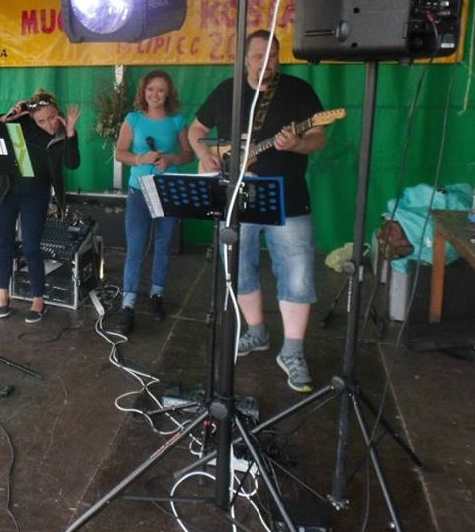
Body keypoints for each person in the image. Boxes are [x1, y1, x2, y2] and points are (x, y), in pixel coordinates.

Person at [187, 29, 327, 393]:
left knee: (297, 272)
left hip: (289, 198)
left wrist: (296, 144)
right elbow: (196, 129)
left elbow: (319, 137)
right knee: (238, 266)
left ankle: (293, 351)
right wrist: (204, 154)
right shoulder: (227, 91)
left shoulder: (297, 91)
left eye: (272, 57)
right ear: (244, 58)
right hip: (237, 196)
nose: (265, 64)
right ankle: (257, 332)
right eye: (257, 57)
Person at [114, 70, 194, 336]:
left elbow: (188, 154)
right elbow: (120, 152)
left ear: (168, 93)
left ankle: (156, 294)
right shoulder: (133, 119)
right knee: (136, 248)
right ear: (143, 92)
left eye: (160, 90)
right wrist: (141, 159)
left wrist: (169, 159)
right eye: (150, 89)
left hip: (168, 190)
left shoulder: (177, 121)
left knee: (163, 244)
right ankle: (128, 304)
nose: (155, 94)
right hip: (139, 191)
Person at [0, 89, 80, 324]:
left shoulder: (61, 133)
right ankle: (3, 296)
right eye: (41, 121)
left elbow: (72, 163)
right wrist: (6, 117)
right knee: (4, 243)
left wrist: (71, 133)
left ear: (58, 112)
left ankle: (38, 299)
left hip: (36, 194)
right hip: (6, 191)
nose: (48, 124)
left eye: (52, 117)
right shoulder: (19, 123)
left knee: (31, 247)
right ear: (32, 118)